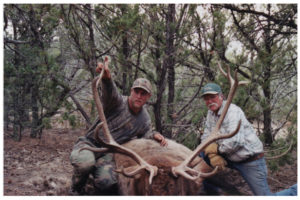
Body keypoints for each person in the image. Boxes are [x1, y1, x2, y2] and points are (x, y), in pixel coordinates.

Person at [69, 60, 167, 195]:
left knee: (108, 183)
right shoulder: (116, 102)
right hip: (89, 144)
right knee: (85, 164)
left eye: (143, 94)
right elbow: (110, 90)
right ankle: (75, 188)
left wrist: (154, 135)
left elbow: (145, 136)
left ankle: (93, 180)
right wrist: (107, 77)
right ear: (131, 91)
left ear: (148, 97)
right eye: (136, 92)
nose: (139, 96)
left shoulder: (144, 119)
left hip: (108, 154)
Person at [199, 82, 297, 196]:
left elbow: (236, 141)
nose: (210, 101)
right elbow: (206, 136)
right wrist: (211, 154)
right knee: (202, 156)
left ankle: (295, 191)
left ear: (221, 96)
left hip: (250, 161)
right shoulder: (211, 113)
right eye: (206, 99)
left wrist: (217, 151)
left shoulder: (232, 111)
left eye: (212, 97)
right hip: (231, 156)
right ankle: (214, 193)